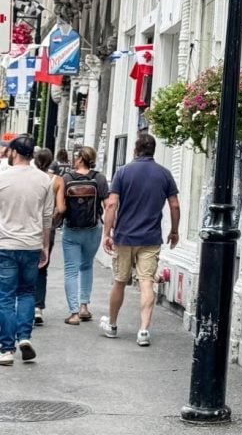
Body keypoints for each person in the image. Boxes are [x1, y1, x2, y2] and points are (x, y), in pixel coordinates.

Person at [101, 133, 179, 346]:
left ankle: (113, 324)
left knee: (119, 281)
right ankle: (143, 330)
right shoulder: (164, 174)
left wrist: (107, 233)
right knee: (146, 282)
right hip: (150, 237)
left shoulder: (123, 172)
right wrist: (174, 230)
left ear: (135, 150)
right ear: (153, 150)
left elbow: (111, 204)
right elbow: (174, 205)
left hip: (125, 236)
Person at [0, 134, 54, 364]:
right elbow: (47, 216)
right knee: (26, 292)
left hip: (5, 243)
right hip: (31, 243)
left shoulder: (2, 177)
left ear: (14, 152)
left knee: (5, 296)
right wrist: (45, 246)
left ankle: (6, 349)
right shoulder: (44, 180)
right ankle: (24, 336)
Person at [61, 146, 109, 325]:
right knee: (86, 266)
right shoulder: (99, 178)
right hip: (92, 229)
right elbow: (109, 205)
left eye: (76, 156)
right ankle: (84, 307)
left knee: (71, 270)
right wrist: (110, 230)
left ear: (80, 158)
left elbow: (61, 206)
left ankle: (73, 313)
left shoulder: (66, 178)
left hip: (71, 230)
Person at [32, 148, 66, 325]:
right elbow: (61, 208)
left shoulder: (31, 177)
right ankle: (38, 307)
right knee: (42, 266)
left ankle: (22, 303)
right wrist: (51, 217)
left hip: (28, 225)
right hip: (48, 228)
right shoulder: (57, 180)